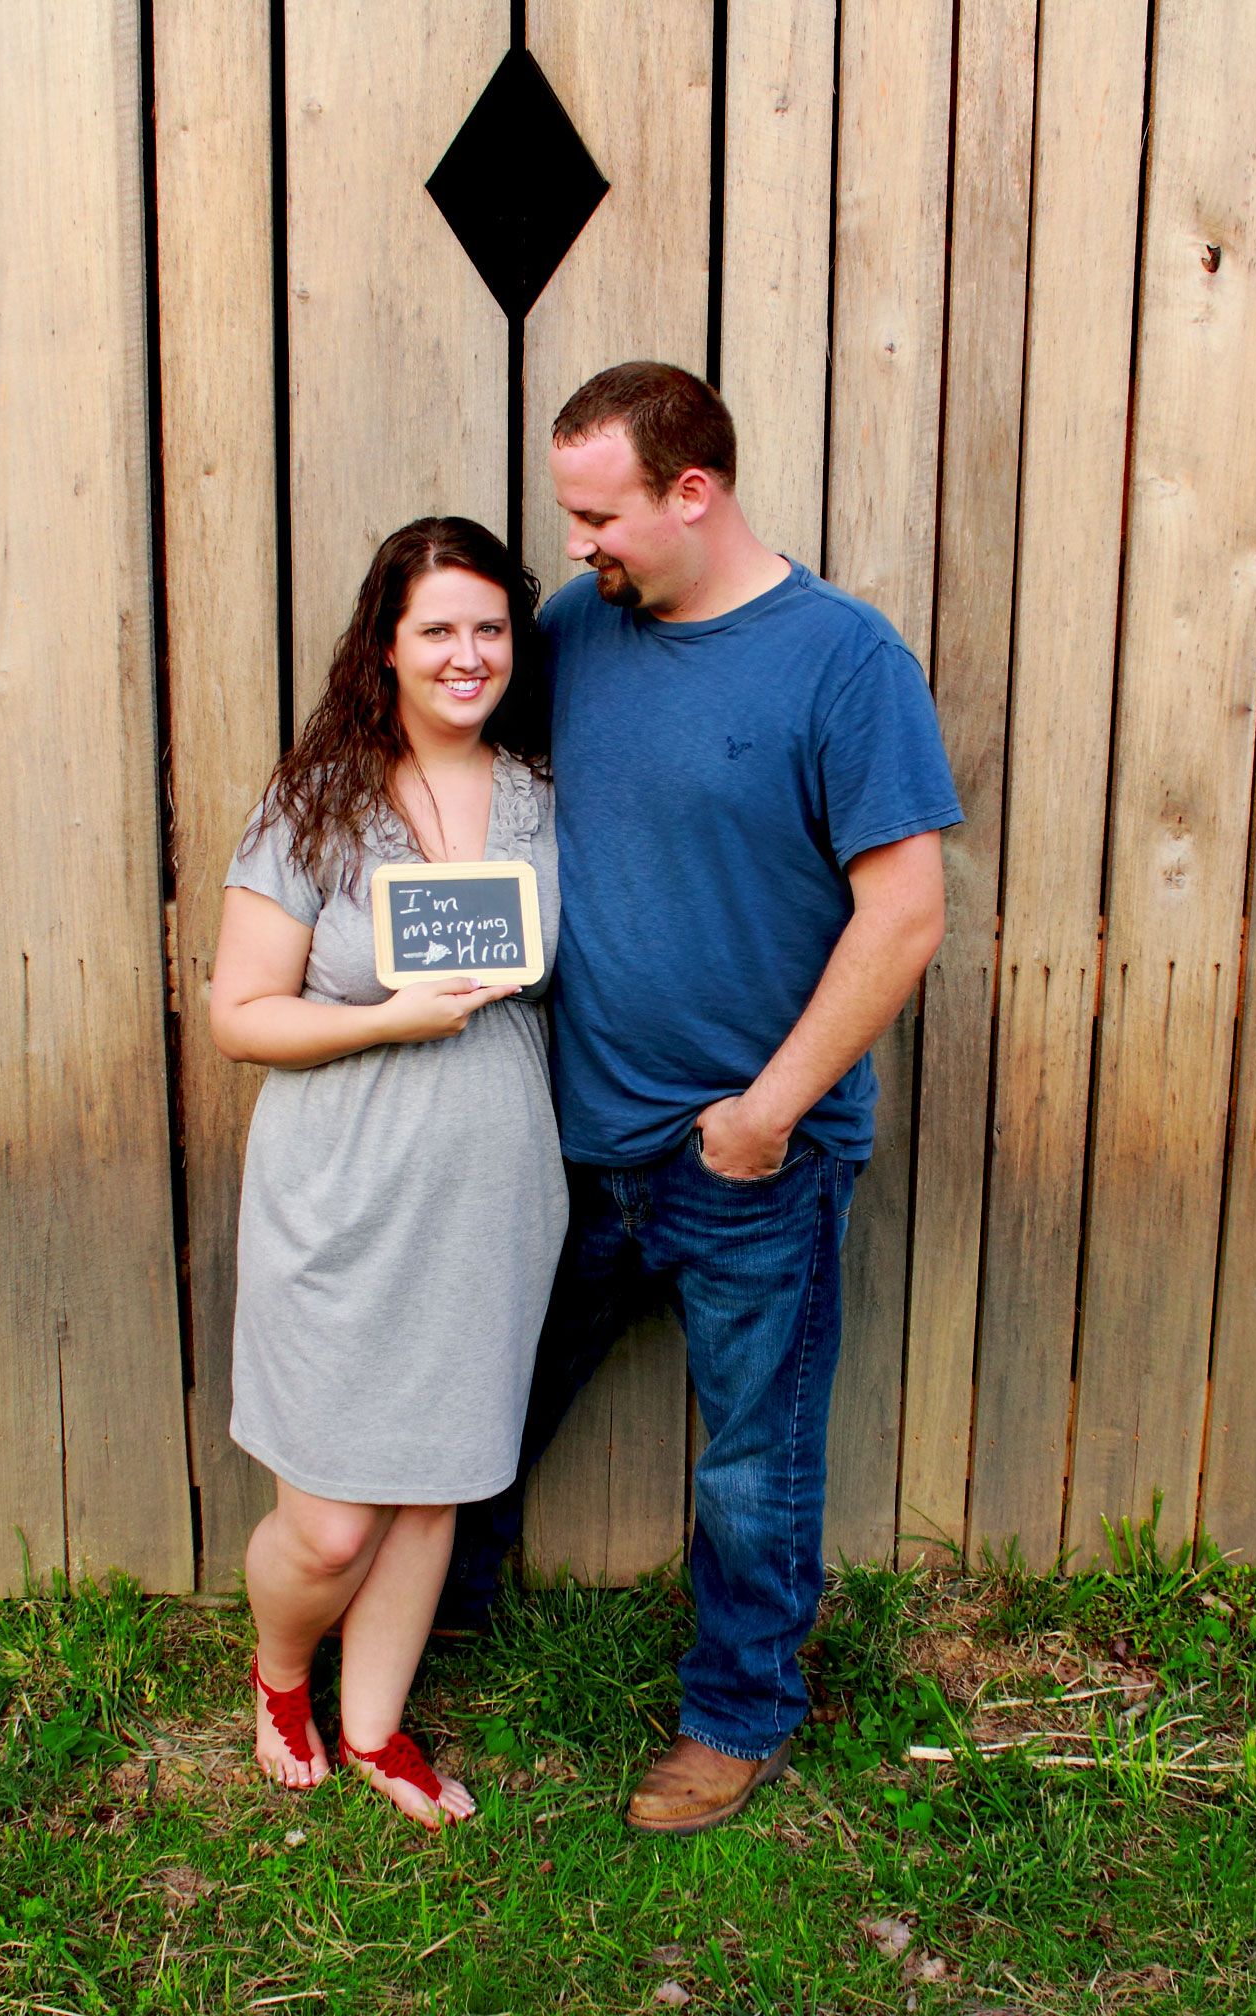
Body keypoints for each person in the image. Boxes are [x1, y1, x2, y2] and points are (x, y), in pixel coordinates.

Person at [450, 362, 959, 1835]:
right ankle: (433, 1617)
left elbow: (905, 916)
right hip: (572, 1135)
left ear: (693, 492)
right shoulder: (576, 630)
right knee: (481, 1388)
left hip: (753, 1157)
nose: (576, 547)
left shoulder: (844, 661)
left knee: (754, 1462)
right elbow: (468, 759)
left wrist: (766, 1114)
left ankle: (738, 1713)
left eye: (599, 516)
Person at [210, 516, 563, 1831]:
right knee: (332, 1525)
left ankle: (372, 1727)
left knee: (436, 1484)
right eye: (439, 630)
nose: (468, 655)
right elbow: (239, 1015)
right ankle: (281, 1673)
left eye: (490, 628)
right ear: (388, 646)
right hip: (341, 1195)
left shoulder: (541, 796)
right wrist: (385, 1019)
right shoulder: (316, 803)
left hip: (491, 1191)